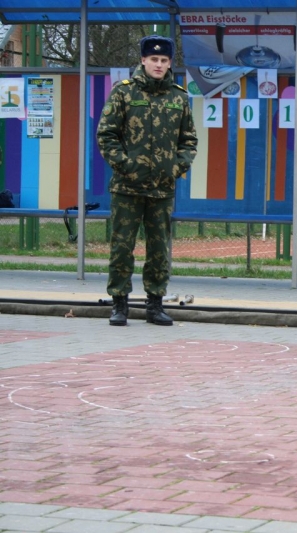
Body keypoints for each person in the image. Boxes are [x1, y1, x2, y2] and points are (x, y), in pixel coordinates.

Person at [97, 35, 198, 327]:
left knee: (158, 250)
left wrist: (176, 168)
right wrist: (126, 165)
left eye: (164, 60)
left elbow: (188, 139)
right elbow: (107, 135)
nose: (159, 65)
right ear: (143, 60)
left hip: (162, 189)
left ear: (169, 64)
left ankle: (154, 305)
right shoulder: (124, 93)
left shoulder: (179, 97)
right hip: (127, 187)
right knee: (121, 247)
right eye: (153, 59)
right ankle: (119, 304)